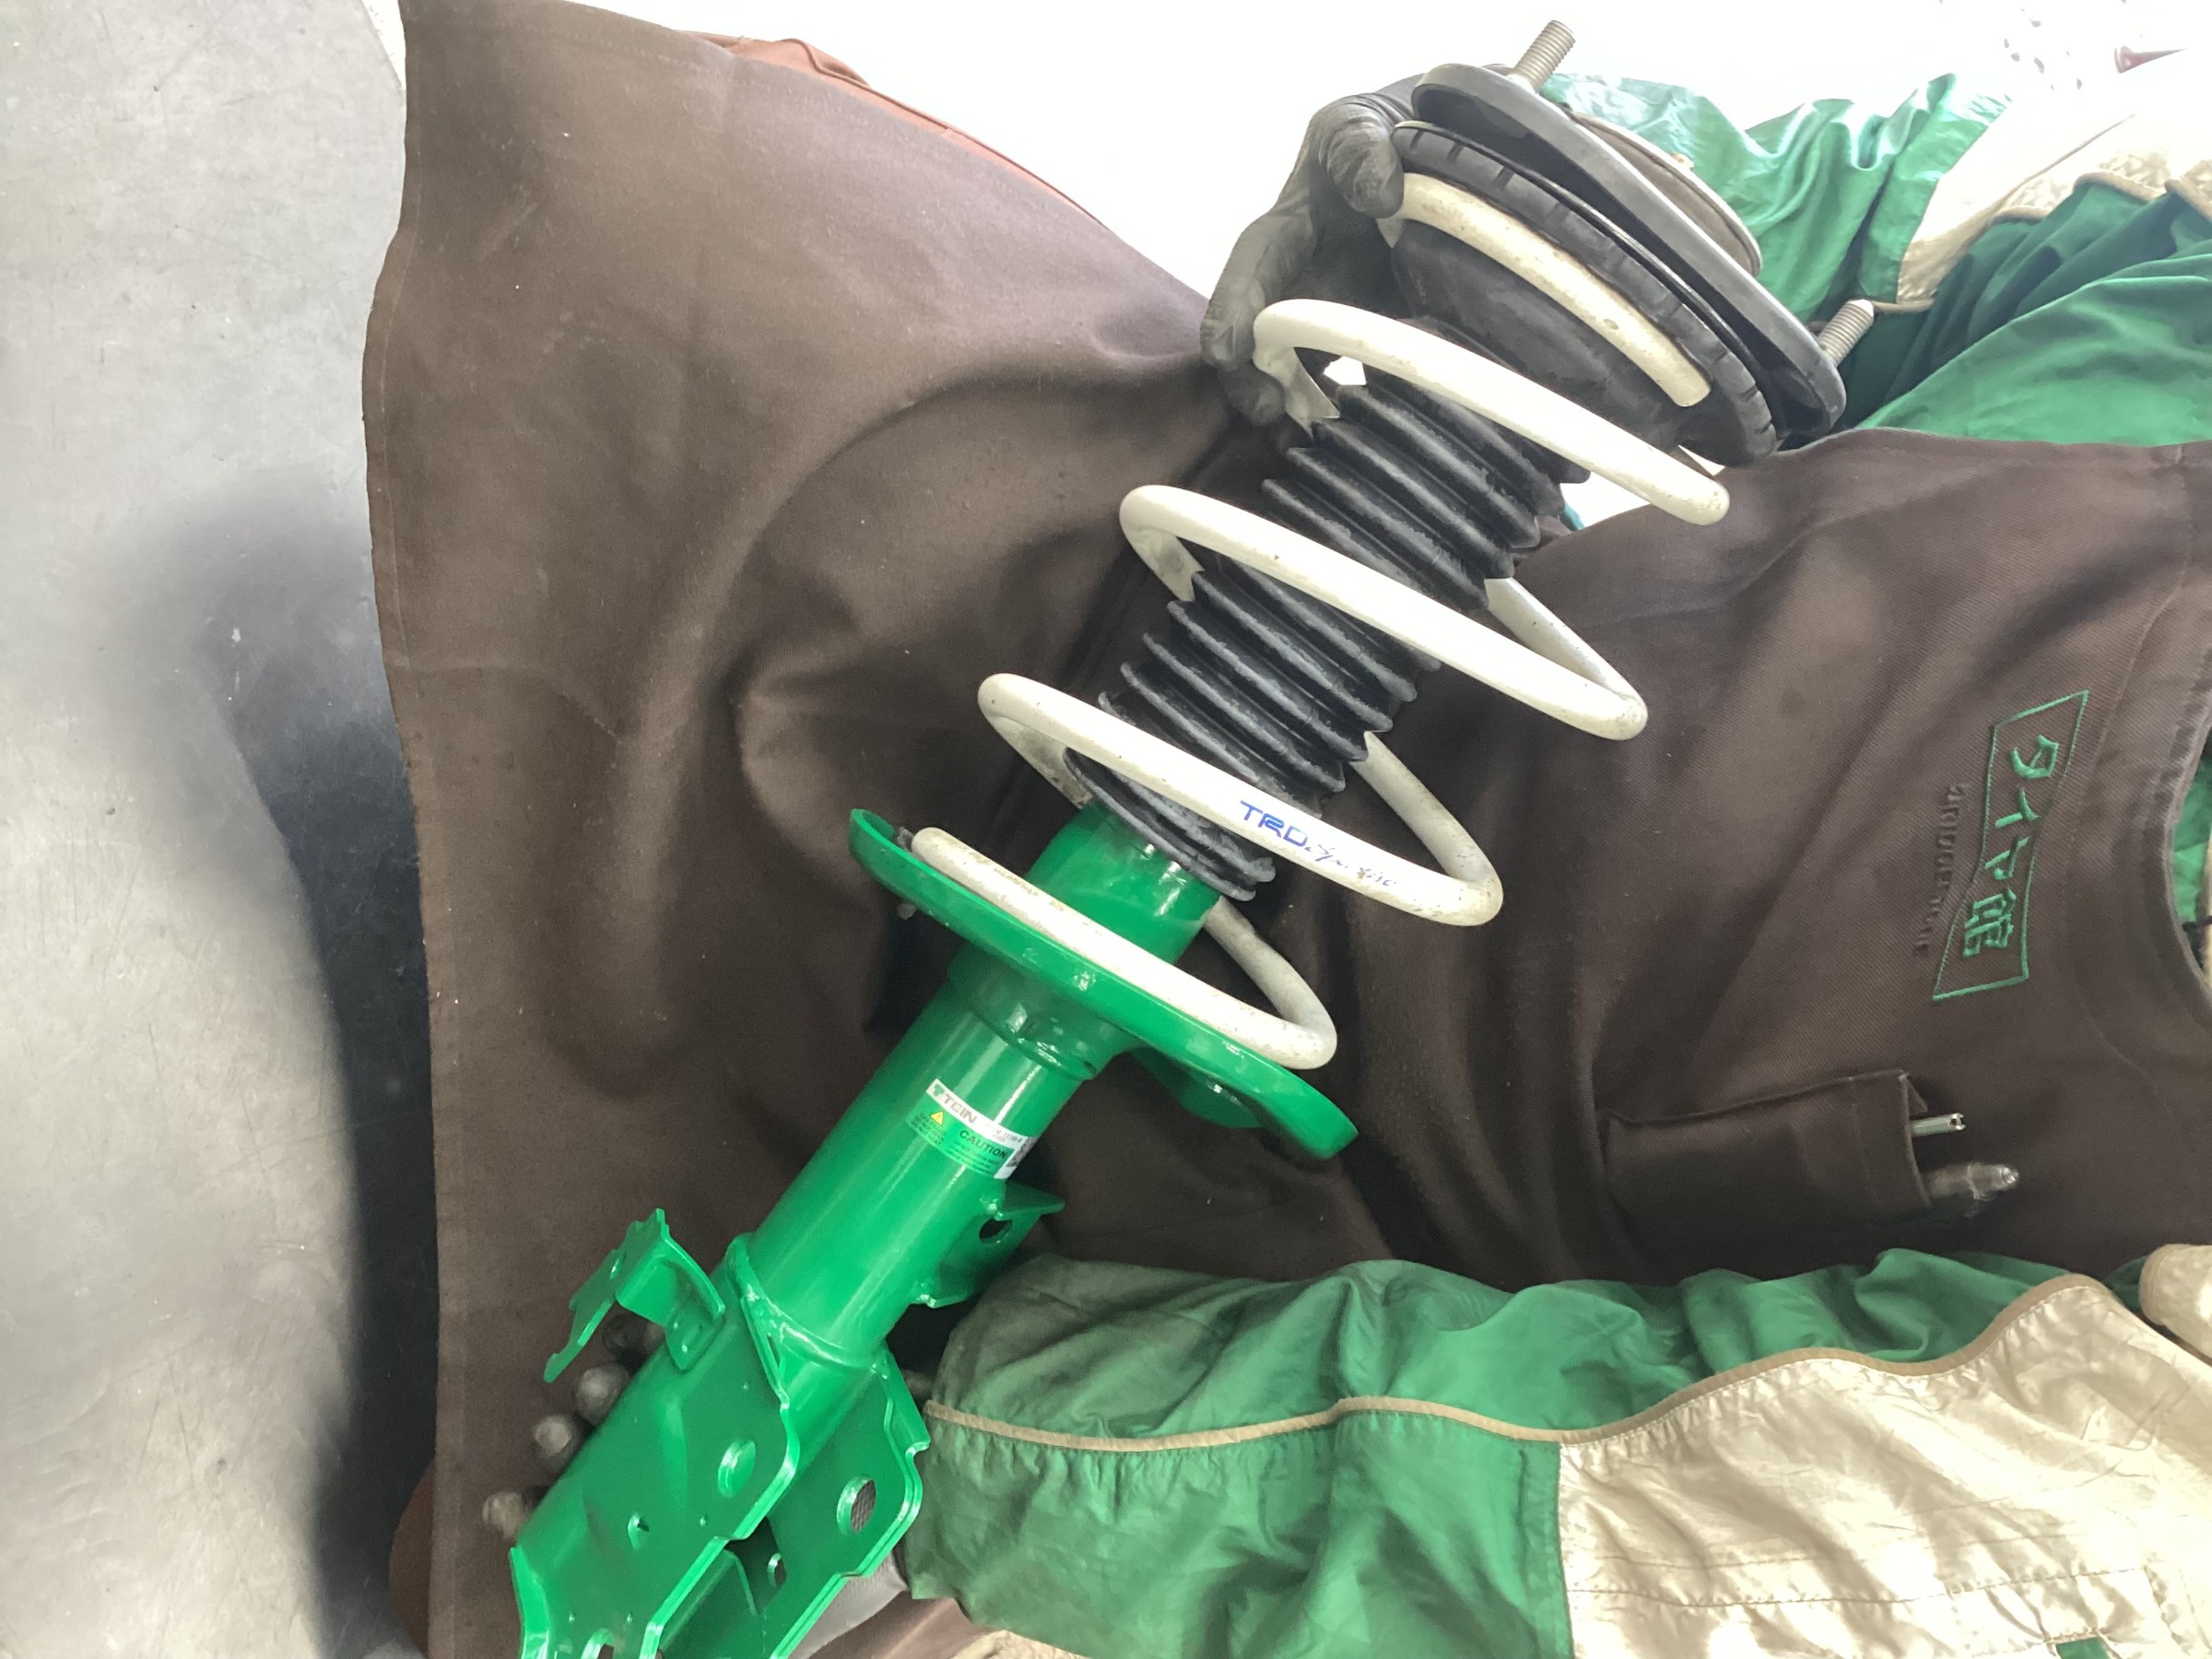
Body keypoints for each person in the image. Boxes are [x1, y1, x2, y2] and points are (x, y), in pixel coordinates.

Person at [366, 5, 2212, 1652]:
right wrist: (1522, 195)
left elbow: (1625, 1524)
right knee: (667, 190)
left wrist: (943, 1441)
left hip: (1292, 1259)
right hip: (1306, 620)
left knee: (490, 1572)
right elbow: (1899, 200)